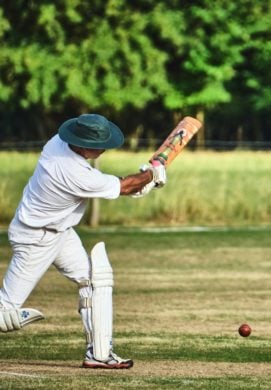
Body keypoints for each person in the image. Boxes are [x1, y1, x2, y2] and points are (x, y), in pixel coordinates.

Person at [0, 113, 167, 369]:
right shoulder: (71, 172)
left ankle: (99, 354)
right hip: (36, 238)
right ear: (81, 143)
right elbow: (123, 187)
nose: (102, 149)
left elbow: (123, 186)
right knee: (4, 313)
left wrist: (144, 180)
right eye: (97, 145)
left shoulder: (57, 142)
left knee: (93, 281)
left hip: (60, 231)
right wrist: (151, 175)